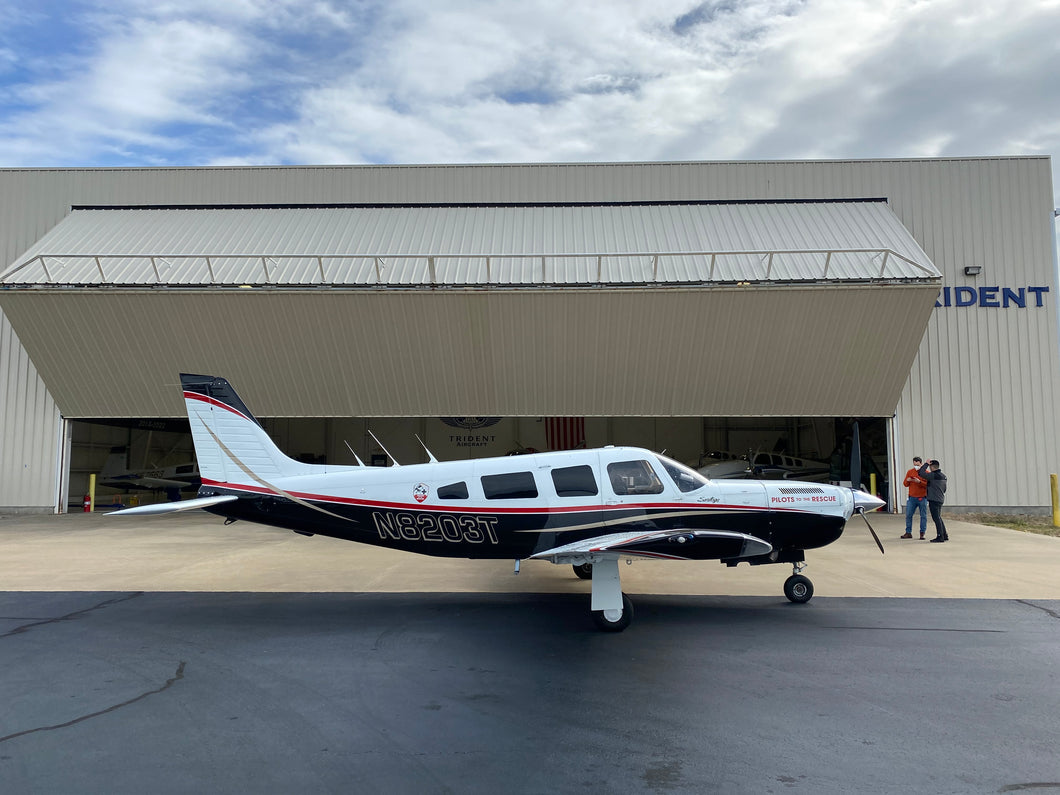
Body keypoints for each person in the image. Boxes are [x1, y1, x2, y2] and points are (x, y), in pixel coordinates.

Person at [919, 459, 949, 542]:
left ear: (932, 467)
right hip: (940, 498)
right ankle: (944, 535)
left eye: (929, 466)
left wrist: (925, 464)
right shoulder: (943, 476)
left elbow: (921, 473)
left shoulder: (933, 475)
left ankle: (940, 536)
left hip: (934, 499)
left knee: (936, 518)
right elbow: (944, 489)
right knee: (938, 517)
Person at [900, 456, 928, 539]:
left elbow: (928, 485)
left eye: (917, 465)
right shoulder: (910, 472)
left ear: (921, 464)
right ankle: (908, 532)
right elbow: (905, 484)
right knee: (908, 515)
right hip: (912, 498)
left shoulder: (926, 473)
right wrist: (908, 480)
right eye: (914, 464)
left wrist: (919, 482)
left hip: (922, 497)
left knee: (923, 516)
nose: (916, 466)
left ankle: (922, 533)